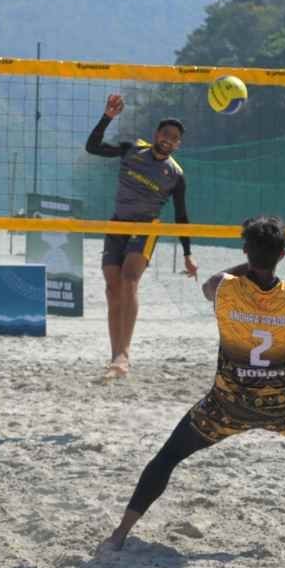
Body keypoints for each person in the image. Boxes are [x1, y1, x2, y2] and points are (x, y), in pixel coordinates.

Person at [99, 216, 285, 553]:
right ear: (283, 255)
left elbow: (208, 287)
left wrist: (254, 259)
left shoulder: (224, 287)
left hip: (227, 405)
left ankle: (119, 534)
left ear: (245, 250)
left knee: (167, 457)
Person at [85, 94, 199, 378]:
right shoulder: (132, 149)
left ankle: (123, 355)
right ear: (156, 135)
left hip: (146, 227)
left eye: (175, 138)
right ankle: (115, 356)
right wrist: (108, 117)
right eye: (165, 134)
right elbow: (92, 147)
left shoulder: (176, 174)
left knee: (129, 280)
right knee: (112, 290)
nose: (169, 140)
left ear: (178, 144)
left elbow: (182, 216)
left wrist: (188, 254)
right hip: (117, 224)